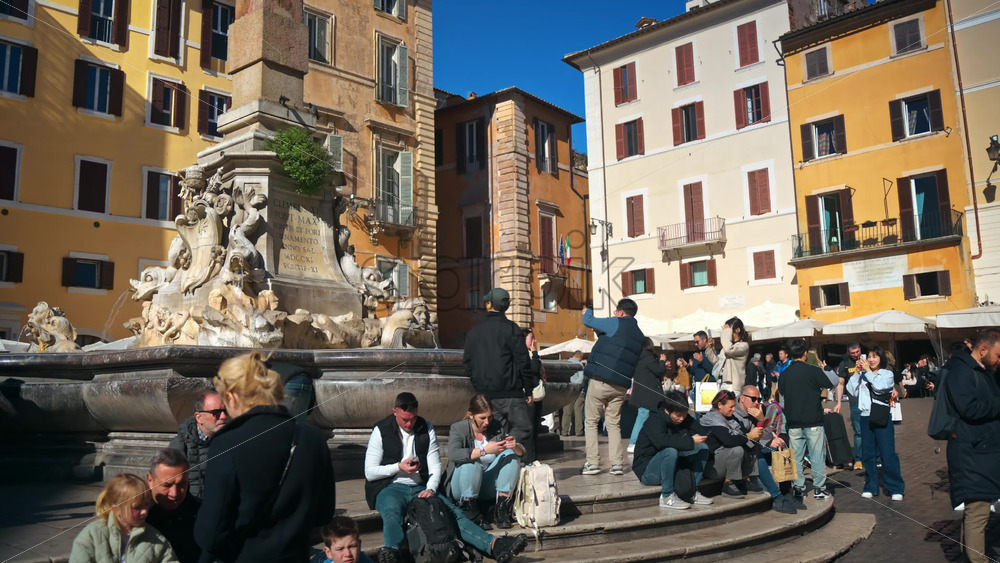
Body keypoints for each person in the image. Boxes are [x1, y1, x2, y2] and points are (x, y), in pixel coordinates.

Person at [195, 351, 336, 562]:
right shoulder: (313, 438)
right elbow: (324, 513)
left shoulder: (227, 442)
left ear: (233, 396)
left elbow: (211, 533)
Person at [364, 392, 527, 563]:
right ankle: (392, 552)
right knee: (392, 512)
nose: (410, 423)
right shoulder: (381, 430)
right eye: (405, 419)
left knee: (455, 514)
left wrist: (431, 488)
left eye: (413, 418)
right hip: (390, 487)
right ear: (395, 412)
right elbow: (370, 472)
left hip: (420, 487)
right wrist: (398, 466)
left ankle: (495, 546)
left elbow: (435, 466)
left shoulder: (425, 427)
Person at [463, 288, 540, 462]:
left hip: (486, 394)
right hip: (512, 392)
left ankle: (499, 465)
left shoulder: (475, 331)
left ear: (490, 304)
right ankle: (515, 461)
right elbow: (523, 362)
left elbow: (467, 362)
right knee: (523, 428)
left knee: (494, 432)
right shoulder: (512, 329)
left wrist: (477, 384)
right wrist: (528, 389)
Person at [943, 329, 1000, 563]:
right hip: (970, 452)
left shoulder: (983, 370)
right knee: (978, 511)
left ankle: (969, 559)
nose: (999, 360)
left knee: (976, 512)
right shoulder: (961, 371)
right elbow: (969, 408)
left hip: (982, 450)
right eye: (998, 355)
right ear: (983, 350)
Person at [581, 299, 645, 476]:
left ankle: (593, 463)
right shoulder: (639, 335)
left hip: (601, 379)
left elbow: (588, 320)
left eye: (616, 312)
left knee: (591, 421)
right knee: (613, 423)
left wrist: (589, 308)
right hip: (621, 385)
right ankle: (617, 464)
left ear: (621, 312)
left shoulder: (616, 322)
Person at [445, 394, 524, 529]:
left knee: (511, 455)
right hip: (462, 485)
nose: (487, 422)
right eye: (482, 418)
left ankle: (501, 508)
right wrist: (484, 451)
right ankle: (470, 510)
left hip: (486, 484)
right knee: (472, 461)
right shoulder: (458, 428)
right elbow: (454, 454)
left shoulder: (496, 426)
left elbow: (522, 453)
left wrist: (514, 446)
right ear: (471, 415)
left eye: (489, 417)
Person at [69, 473, 179, 563]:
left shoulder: (156, 539)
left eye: (146, 505)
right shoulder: (92, 535)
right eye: (137, 507)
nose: (145, 511)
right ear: (116, 508)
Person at [632, 390, 712, 510]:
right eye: (678, 415)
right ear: (667, 410)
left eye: (684, 415)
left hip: (671, 466)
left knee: (702, 448)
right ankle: (666, 496)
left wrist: (697, 432)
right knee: (670, 451)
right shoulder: (654, 420)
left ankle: (692, 491)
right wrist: (690, 440)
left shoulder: (682, 417)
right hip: (647, 470)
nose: (681, 419)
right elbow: (662, 442)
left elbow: (701, 431)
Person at [779, 339, 837, 500]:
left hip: (793, 422)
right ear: (805, 354)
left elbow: (782, 400)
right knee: (817, 455)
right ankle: (819, 488)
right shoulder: (813, 370)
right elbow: (834, 381)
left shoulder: (784, 374)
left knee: (796, 457)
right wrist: (827, 369)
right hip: (813, 421)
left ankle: (799, 489)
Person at [847, 346, 905, 501]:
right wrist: (857, 373)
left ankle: (895, 487)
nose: (871, 360)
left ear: (881, 359)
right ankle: (870, 486)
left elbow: (880, 388)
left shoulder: (886, 374)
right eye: (869, 357)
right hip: (865, 416)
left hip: (881, 415)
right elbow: (851, 391)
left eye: (875, 357)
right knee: (868, 454)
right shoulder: (862, 374)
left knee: (887, 453)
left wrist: (868, 372)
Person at [700, 390, 762, 498]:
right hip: (712, 466)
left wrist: (755, 435)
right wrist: (749, 436)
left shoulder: (732, 418)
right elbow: (729, 441)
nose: (734, 409)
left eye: (734, 406)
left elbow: (742, 434)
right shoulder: (711, 420)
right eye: (731, 407)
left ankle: (744, 481)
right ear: (720, 405)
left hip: (724, 460)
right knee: (737, 449)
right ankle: (729, 484)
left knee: (750, 444)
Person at [169, 391, 228, 499]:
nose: (223, 416)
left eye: (225, 411)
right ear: (198, 417)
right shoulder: (181, 444)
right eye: (216, 413)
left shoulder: (232, 440)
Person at [146, 449, 201, 563]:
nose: (174, 493)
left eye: (181, 485)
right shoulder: (137, 517)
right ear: (150, 480)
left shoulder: (203, 513)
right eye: (166, 485)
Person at [755, 389, 803, 514]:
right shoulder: (774, 407)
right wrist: (771, 438)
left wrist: (762, 421)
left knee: (784, 452)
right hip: (766, 441)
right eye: (754, 399)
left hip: (774, 439)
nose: (757, 403)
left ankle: (787, 492)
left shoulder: (790, 408)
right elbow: (769, 429)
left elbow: (765, 433)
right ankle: (778, 496)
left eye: (759, 400)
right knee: (763, 456)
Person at [628, 338, 668, 454]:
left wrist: (662, 365)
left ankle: (640, 442)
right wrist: (662, 362)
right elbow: (659, 370)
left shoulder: (638, 358)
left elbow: (652, 372)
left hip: (642, 394)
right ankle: (633, 442)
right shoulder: (648, 357)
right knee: (643, 416)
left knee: (644, 416)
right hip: (649, 395)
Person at [836, 343, 865, 470]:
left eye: (857, 351)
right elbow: (841, 384)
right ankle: (858, 458)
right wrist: (839, 402)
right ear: (848, 352)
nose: (856, 355)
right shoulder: (845, 364)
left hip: (869, 400)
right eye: (853, 353)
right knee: (858, 432)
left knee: (872, 429)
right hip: (855, 400)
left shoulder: (867, 360)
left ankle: (875, 457)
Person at [705, 318, 749, 392]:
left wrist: (726, 332)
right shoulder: (726, 348)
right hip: (723, 383)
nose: (727, 332)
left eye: (729, 330)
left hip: (733, 386)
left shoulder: (743, 346)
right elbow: (716, 361)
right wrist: (710, 348)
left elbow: (729, 349)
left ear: (737, 330)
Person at [561, 351, 586, 437]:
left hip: (567, 390)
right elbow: (581, 378)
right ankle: (578, 431)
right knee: (578, 411)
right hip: (578, 390)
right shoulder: (579, 365)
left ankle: (564, 431)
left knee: (566, 412)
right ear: (579, 357)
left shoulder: (565, 364)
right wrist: (575, 384)